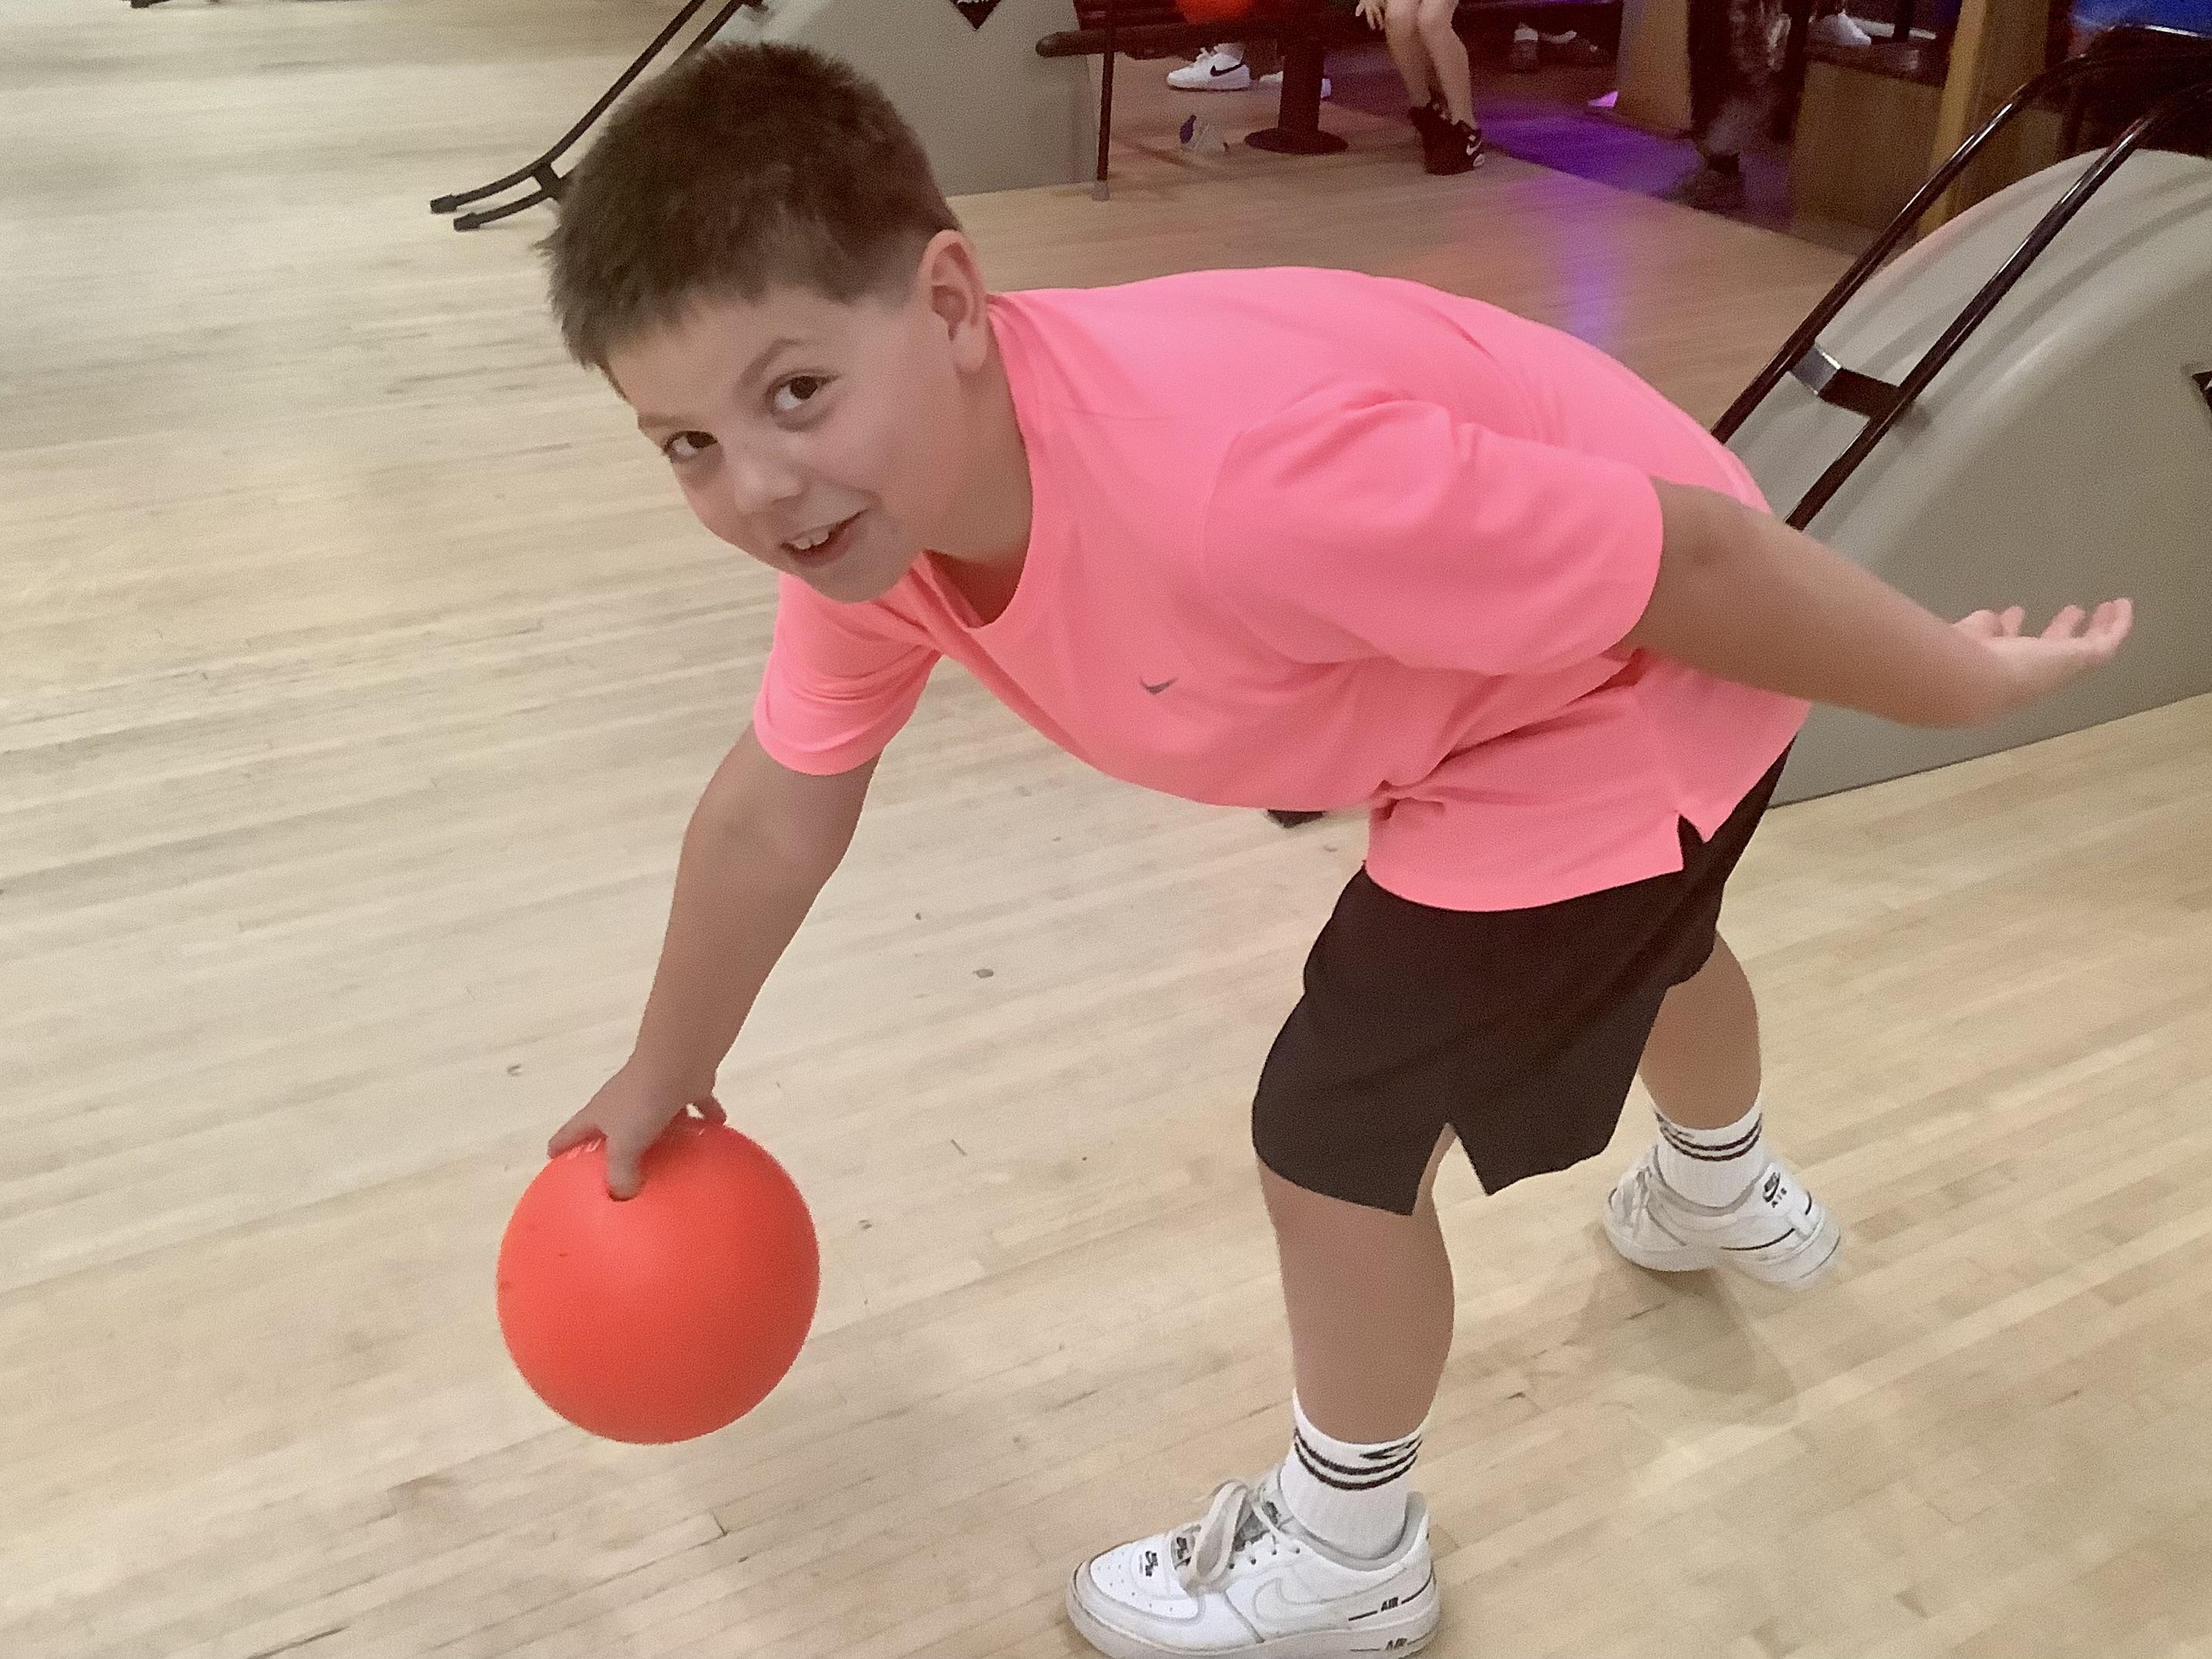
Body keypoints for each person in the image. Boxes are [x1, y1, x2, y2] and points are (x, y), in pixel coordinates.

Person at [538, 42, 2133, 1658]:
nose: (758, 487)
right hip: (1517, 671)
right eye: (686, 444)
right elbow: (776, 806)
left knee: (1331, 1137)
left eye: (793, 393)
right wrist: (667, 1067)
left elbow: (1703, 565)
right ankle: (1720, 1189)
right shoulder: (875, 532)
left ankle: (1349, 1551)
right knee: (1643, 942)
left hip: (1636, 679)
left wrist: (1952, 681)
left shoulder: (1238, 487)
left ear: (949, 302)